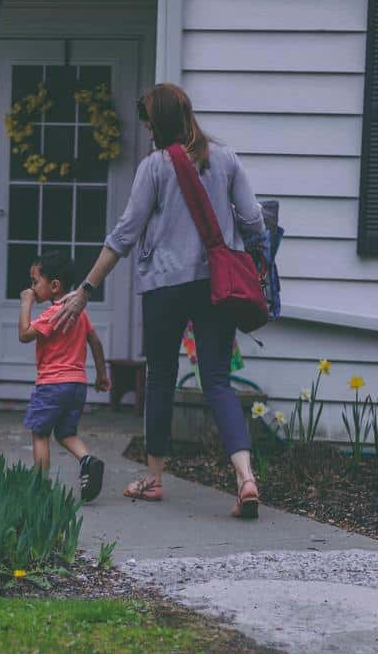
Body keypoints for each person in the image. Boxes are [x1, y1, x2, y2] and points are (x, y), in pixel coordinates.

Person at [50, 82, 264, 519]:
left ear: (160, 122)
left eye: (148, 121)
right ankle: (245, 477)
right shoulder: (226, 159)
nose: (145, 129)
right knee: (218, 380)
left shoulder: (154, 167)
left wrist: (86, 289)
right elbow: (255, 219)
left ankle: (154, 479)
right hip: (216, 286)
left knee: (162, 378)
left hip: (165, 287)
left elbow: (125, 235)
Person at [19, 249, 110, 502]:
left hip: (51, 385)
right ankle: (88, 460)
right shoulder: (78, 311)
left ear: (55, 285)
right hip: (77, 385)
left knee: (40, 433)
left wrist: (26, 302)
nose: (32, 287)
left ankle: (39, 487)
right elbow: (95, 341)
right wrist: (101, 375)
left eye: (36, 282)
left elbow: (25, 334)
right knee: (66, 433)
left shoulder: (52, 314)